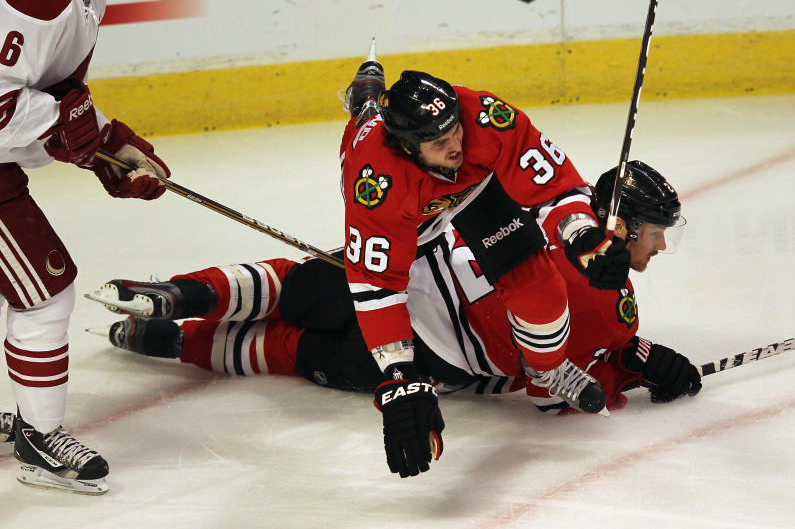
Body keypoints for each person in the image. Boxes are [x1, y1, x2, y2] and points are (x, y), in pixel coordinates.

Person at [85, 160, 702, 478]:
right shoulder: (609, 304)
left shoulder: (549, 205)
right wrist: (631, 368)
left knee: (294, 282)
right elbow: (549, 391)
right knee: (291, 351)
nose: (661, 247)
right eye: (654, 233)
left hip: (400, 275)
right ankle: (172, 341)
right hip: (425, 356)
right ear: (621, 227)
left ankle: (178, 295)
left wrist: (630, 355)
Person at [333, 45, 642, 476]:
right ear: (407, 145)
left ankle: (548, 370)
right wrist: (402, 377)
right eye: (440, 141)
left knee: (541, 290)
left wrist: (585, 237)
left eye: (454, 128)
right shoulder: (376, 183)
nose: (456, 142)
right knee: (364, 118)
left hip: (473, 192)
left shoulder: (484, 117)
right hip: (412, 214)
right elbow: (377, 286)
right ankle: (365, 98)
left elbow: (552, 187)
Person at [0, 0, 170, 495]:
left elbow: (56, 93)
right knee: (44, 294)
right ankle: (40, 441)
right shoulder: (25, 0)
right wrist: (76, 130)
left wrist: (109, 142)